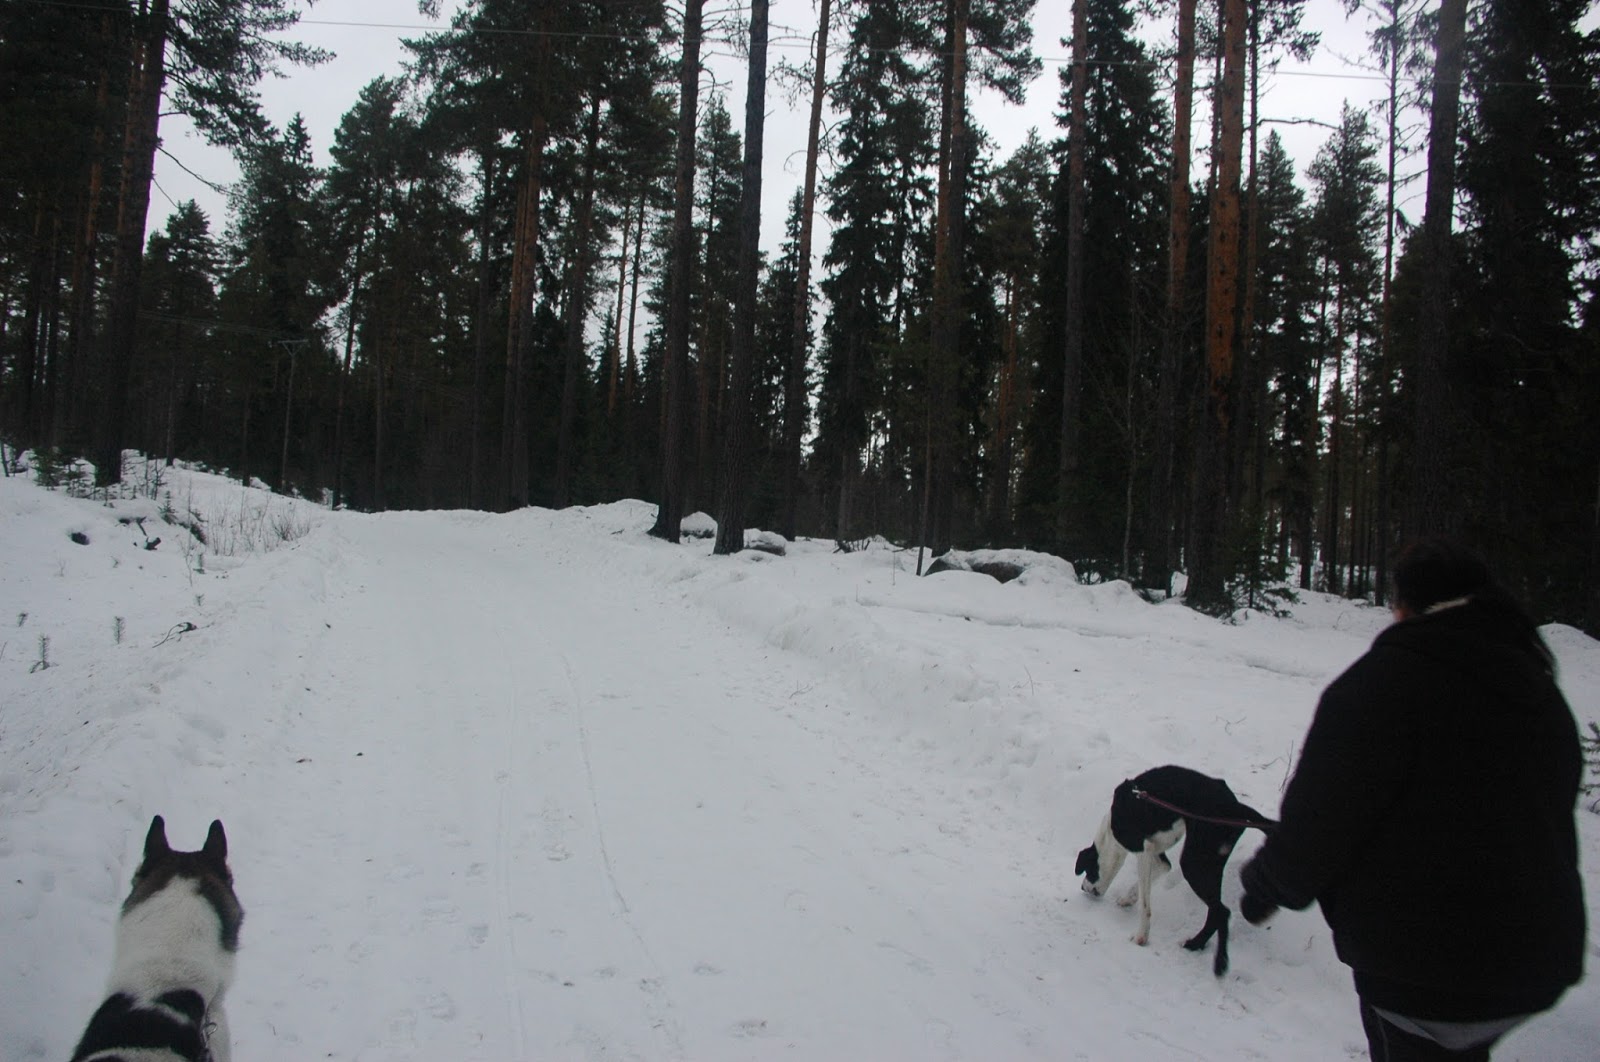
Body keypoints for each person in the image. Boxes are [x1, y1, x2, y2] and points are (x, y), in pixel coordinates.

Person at [1238, 538, 1586, 1061]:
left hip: (1424, 967)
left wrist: (1267, 885)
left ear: (1406, 605)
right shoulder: (1535, 683)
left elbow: (1321, 817)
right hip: (1536, 958)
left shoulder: (1382, 685)